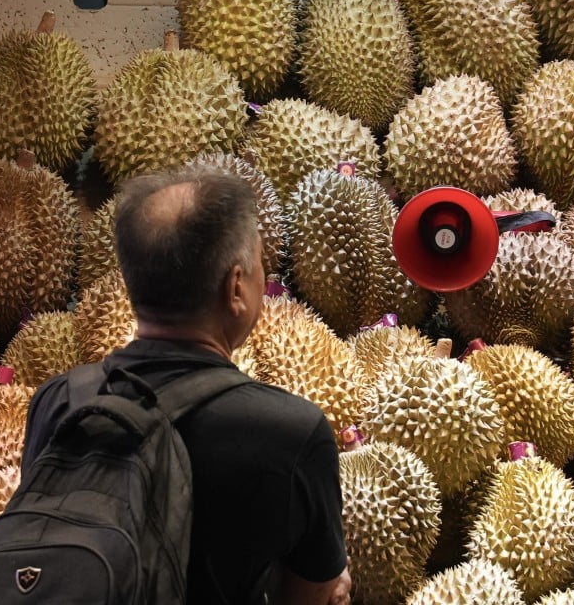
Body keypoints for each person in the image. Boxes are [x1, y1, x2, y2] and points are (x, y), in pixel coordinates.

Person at [20, 166, 352, 605]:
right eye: (258, 267)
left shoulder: (60, 400)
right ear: (236, 287)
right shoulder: (292, 432)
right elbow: (312, 593)